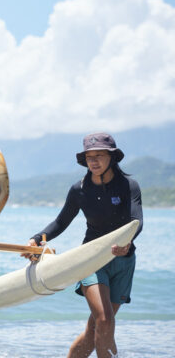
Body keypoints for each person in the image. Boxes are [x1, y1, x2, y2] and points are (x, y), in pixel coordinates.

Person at [23, 132, 143, 358]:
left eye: (99, 155)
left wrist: (127, 242)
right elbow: (60, 222)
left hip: (124, 261)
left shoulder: (129, 186)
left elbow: (137, 221)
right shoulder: (80, 189)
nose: (94, 161)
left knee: (96, 328)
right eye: (89, 157)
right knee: (105, 320)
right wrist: (36, 238)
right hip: (91, 259)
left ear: (112, 157)